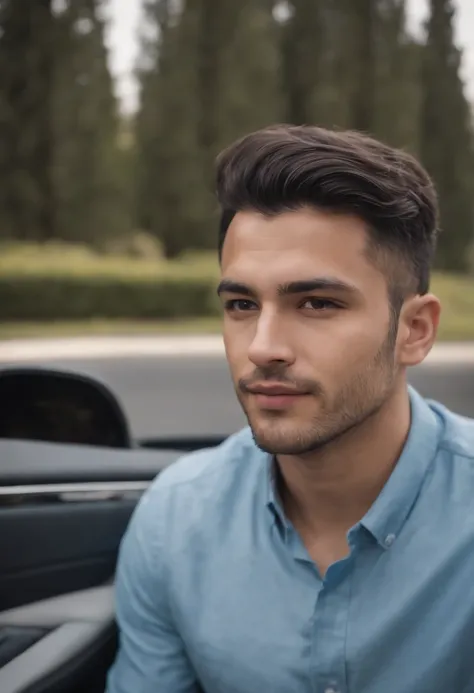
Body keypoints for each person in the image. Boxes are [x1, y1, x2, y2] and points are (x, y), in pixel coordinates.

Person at [105, 125, 474, 693]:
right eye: (241, 304)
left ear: (415, 331)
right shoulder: (174, 522)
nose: (262, 347)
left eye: (317, 303)